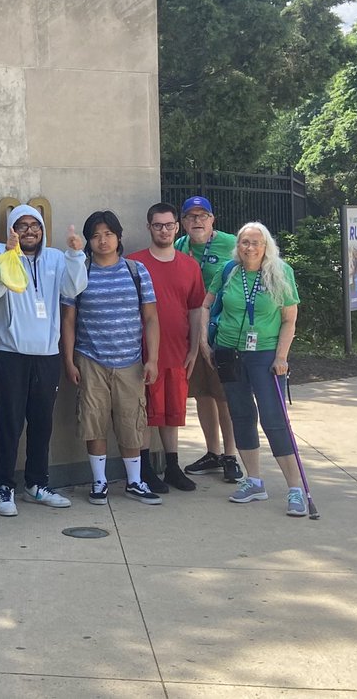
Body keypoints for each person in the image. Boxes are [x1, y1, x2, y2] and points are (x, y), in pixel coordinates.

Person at [0, 206, 87, 517]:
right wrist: (10, 255)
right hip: (10, 352)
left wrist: (75, 255)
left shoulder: (55, 257)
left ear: (42, 229)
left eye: (35, 226)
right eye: (22, 226)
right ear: (12, 229)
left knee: (42, 423)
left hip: (47, 354)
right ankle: (3, 486)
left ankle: (37, 484)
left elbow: (74, 288)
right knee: (10, 424)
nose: (29, 231)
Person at [201, 222, 306, 515]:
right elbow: (206, 305)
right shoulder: (228, 270)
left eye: (255, 243)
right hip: (229, 353)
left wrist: (281, 357)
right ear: (238, 245)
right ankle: (254, 481)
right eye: (244, 242)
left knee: (274, 419)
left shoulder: (281, 272)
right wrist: (203, 343)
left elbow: (289, 319)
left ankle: (295, 488)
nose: (249, 247)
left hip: (265, 355)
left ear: (266, 246)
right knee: (241, 416)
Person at [61, 210, 162, 506]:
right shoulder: (82, 272)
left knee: (131, 422)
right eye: (95, 235)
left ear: (119, 237)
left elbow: (151, 318)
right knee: (94, 420)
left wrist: (152, 359)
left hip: (130, 360)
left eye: (108, 234)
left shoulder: (136, 271)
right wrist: (69, 360)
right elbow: (68, 320)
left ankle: (134, 481)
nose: (102, 240)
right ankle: (100, 481)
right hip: (90, 359)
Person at [128, 203, 204, 494]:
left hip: (177, 351)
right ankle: (145, 468)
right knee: (145, 411)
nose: (164, 230)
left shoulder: (189, 266)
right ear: (149, 227)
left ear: (177, 227)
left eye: (169, 225)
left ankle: (172, 466)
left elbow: (196, 309)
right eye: (158, 225)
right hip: (142, 353)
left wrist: (194, 349)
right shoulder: (134, 264)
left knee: (172, 411)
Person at [175, 197, 243, 483]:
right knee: (202, 393)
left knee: (223, 396)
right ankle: (212, 452)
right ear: (183, 222)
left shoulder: (232, 243)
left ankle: (230, 455)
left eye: (203, 215)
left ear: (213, 219)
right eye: (191, 216)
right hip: (191, 333)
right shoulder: (180, 246)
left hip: (221, 333)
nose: (197, 221)